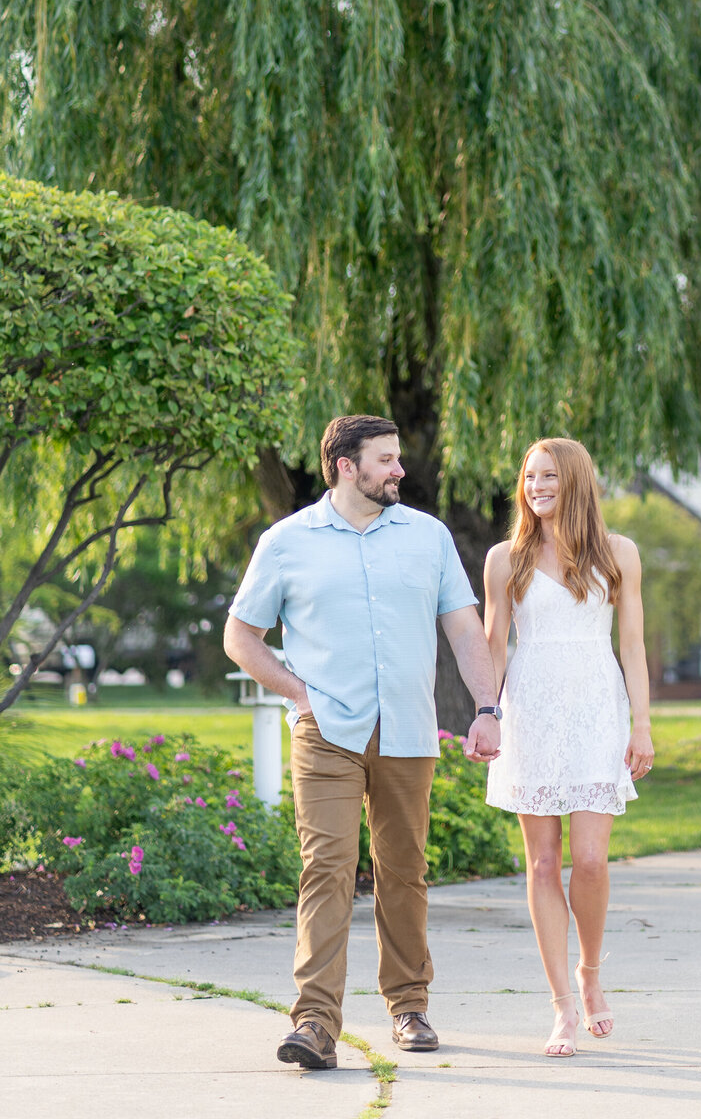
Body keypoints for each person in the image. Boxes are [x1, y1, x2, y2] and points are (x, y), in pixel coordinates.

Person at [224, 414, 502, 1071]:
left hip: (408, 728)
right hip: (327, 733)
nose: (399, 470)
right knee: (326, 868)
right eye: (385, 460)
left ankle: (409, 1005)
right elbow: (241, 636)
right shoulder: (288, 542)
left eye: (398, 458)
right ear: (346, 466)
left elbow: (466, 632)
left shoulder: (428, 538)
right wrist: (298, 695)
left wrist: (488, 708)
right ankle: (316, 1021)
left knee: (403, 871)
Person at [483, 437, 653, 1058]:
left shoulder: (618, 554)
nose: (535, 487)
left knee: (590, 860)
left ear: (575, 480)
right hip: (531, 711)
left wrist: (643, 725)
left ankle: (589, 971)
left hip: (594, 709)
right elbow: (494, 644)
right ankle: (560, 1008)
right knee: (541, 863)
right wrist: (487, 715)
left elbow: (631, 645)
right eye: (529, 477)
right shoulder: (507, 557)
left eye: (548, 476)